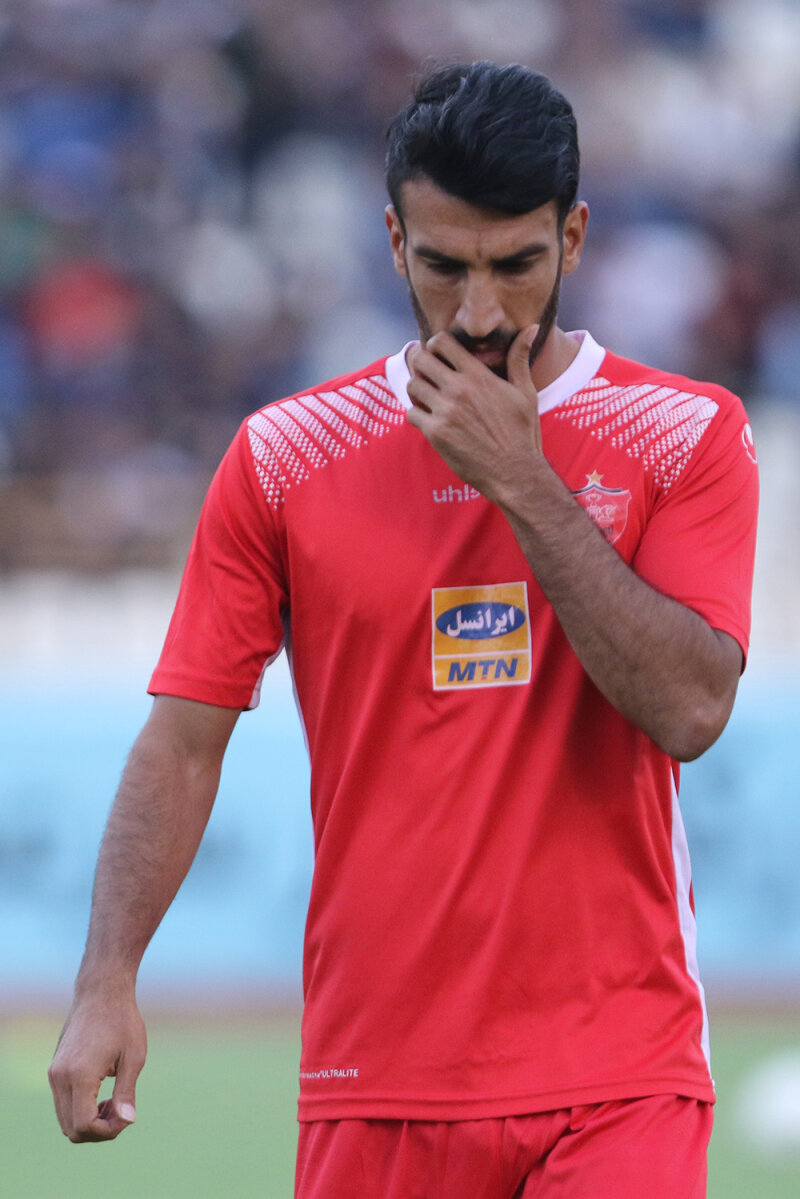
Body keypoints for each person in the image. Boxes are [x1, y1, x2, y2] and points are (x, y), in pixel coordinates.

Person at [49, 61, 758, 1198]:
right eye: (443, 267)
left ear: (573, 239)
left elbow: (689, 706)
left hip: (620, 1075)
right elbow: (182, 741)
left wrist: (521, 480)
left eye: (515, 265)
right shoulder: (285, 457)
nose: (479, 313)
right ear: (392, 243)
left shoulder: (682, 435)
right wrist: (105, 979)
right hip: (375, 1078)